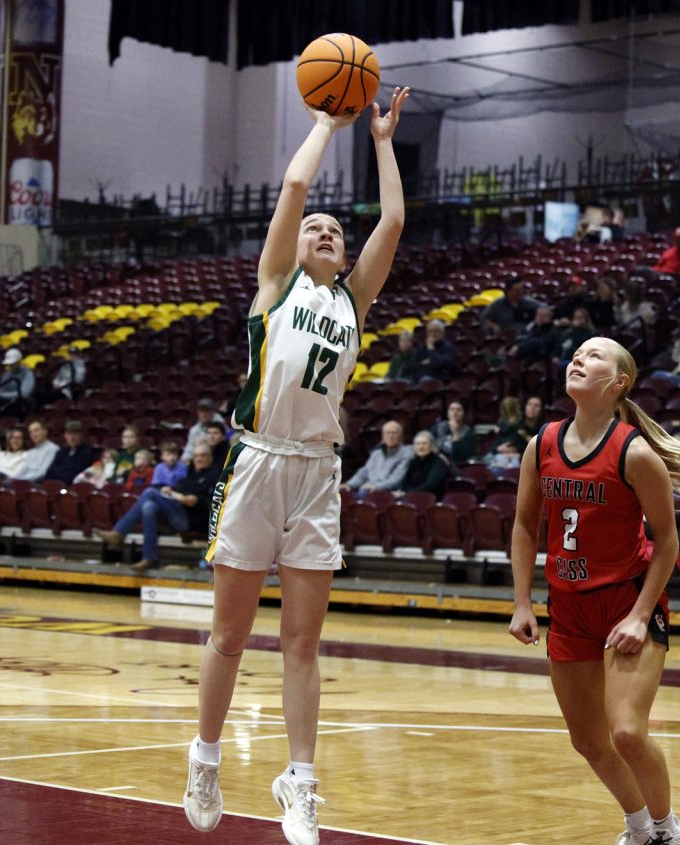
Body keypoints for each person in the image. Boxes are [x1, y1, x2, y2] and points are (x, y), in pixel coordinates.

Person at [183, 86, 409, 844]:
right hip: (256, 462)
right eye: (315, 227)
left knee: (303, 643)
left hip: (316, 472)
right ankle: (205, 754)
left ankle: (301, 782)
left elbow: (393, 222)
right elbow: (293, 186)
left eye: (335, 231)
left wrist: (382, 142)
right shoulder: (276, 287)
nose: (324, 231)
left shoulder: (354, 303)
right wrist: (323, 125)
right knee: (230, 633)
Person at [509, 336, 680, 845]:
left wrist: (641, 616)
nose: (578, 358)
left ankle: (669, 830)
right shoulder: (542, 444)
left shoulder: (635, 453)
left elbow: (667, 542)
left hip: (626, 599)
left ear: (618, 383)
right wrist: (521, 602)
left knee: (626, 732)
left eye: (594, 355)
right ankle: (640, 828)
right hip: (568, 605)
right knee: (587, 739)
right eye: (576, 353)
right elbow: (524, 525)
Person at [98, 445, 221, 571]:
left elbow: (217, 503)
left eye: (203, 455)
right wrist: (170, 490)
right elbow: (180, 489)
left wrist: (198, 501)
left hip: (195, 521)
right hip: (178, 514)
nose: (199, 459)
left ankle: (119, 533)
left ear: (210, 457)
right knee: (148, 507)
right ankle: (149, 557)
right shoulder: (191, 475)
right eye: (196, 456)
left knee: (149, 492)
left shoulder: (216, 476)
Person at [342, 421, 413, 494]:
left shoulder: (407, 454)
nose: (391, 436)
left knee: (362, 493)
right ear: (383, 436)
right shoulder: (376, 454)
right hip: (368, 488)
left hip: (390, 492)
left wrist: (376, 487)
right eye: (388, 433)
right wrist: (349, 484)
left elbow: (398, 478)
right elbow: (364, 472)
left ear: (400, 436)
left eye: (394, 433)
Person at [482, 276, 548, 337]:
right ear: (508, 291)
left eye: (522, 289)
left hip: (525, 337)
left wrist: (540, 317)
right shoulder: (497, 304)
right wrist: (493, 326)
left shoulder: (529, 303)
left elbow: (545, 308)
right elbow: (484, 318)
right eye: (517, 291)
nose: (521, 292)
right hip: (504, 336)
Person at [392, 430, 449, 498]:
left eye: (424, 443)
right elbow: (404, 479)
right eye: (417, 444)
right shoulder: (413, 460)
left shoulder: (438, 462)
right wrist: (400, 490)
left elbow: (430, 485)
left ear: (432, 446)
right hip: (410, 496)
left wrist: (406, 493)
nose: (420, 447)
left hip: (429, 498)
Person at [44, 420, 98, 485]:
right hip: (56, 486)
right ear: (65, 436)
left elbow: (73, 476)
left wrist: (57, 475)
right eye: (69, 434)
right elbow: (49, 472)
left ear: (81, 435)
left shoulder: (87, 453)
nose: (72, 437)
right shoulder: (61, 452)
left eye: (75, 434)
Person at [430, 400, 478, 466]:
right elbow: (427, 444)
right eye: (451, 409)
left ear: (464, 413)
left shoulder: (469, 434)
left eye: (459, 410)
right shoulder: (438, 427)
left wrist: (456, 433)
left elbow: (459, 457)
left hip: (457, 465)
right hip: (436, 461)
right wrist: (439, 455)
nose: (455, 412)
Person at [0, 347, 35, 417]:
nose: (10, 366)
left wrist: (3, 395)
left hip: (20, 405)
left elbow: (24, 394)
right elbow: (1, 389)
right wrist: (0, 394)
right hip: (6, 403)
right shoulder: (7, 374)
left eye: (12, 363)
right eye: (9, 364)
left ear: (19, 361)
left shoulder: (27, 374)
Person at [182, 398, 227, 464]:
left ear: (212, 412)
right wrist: (197, 447)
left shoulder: (220, 424)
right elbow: (187, 454)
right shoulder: (194, 430)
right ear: (198, 413)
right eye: (201, 411)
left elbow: (228, 441)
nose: (204, 414)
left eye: (207, 411)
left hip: (220, 457)